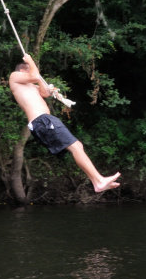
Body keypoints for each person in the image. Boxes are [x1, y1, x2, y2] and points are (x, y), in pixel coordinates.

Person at [9, 53, 120, 193]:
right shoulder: (14, 77)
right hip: (42, 120)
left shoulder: (31, 86)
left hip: (44, 121)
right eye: (29, 69)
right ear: (23, 71)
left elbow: (45, 93)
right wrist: (31, 62)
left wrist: (48, 88)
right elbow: (35, 75)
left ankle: (96, 180)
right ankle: (98, 181)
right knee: (76, 147)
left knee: (77, 146)